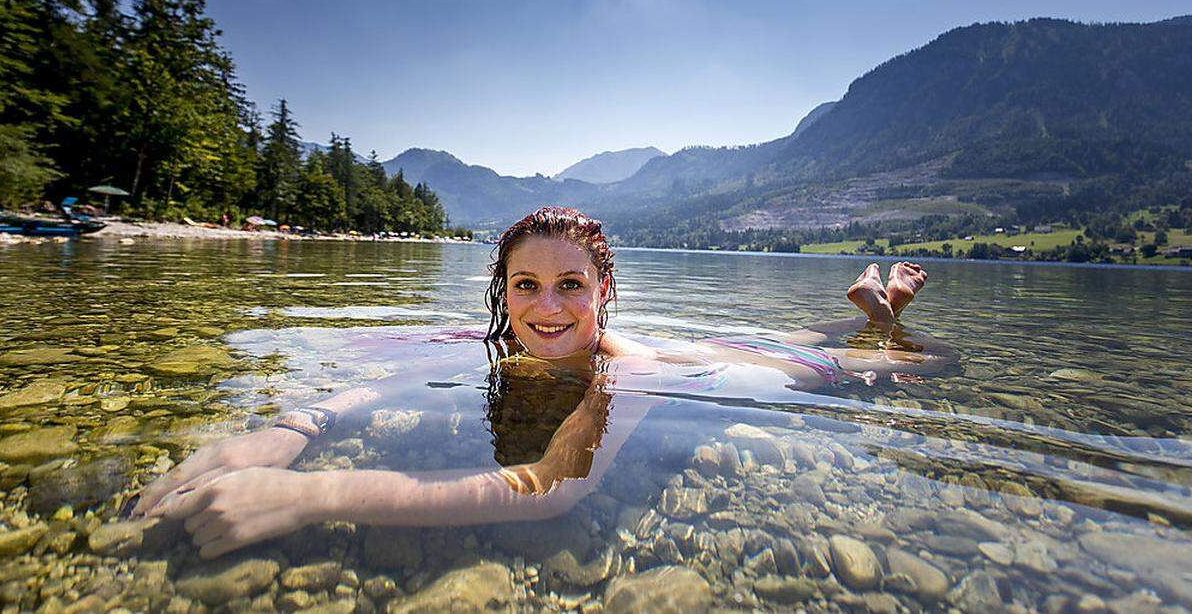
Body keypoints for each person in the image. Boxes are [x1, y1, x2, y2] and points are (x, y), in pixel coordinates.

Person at [132, 206, 940, 558]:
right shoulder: (506, 338)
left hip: (778, 376)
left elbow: (552, 486)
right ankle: (871, 307)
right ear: (503, 292)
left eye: (570, 286)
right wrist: (296, 426)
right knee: (769, 333)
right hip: (711, 339)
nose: (546, 309)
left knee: (898, 363)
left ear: (603, 292)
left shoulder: (628, 372)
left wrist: (312, 494)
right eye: (527, 286)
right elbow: (416, 363)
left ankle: (881, 325)